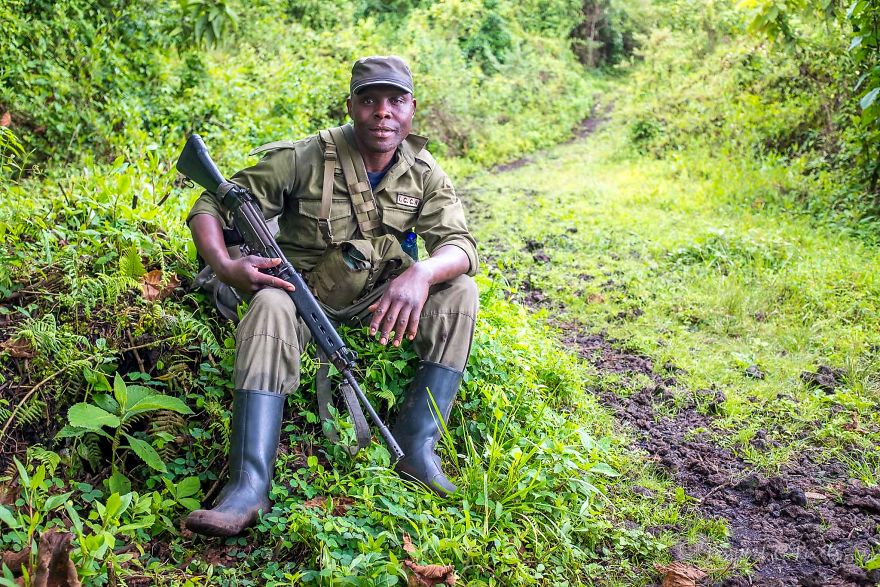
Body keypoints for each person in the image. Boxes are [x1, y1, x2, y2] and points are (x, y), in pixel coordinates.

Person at [183, 56, 479, 537]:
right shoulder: (305, 156)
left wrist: (421, 274)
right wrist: (225, 265)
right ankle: (248, 485)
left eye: (395, 100)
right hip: (300, 296)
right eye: (369, 100)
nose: (382, 112)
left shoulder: (424, 172)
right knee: (269, 302)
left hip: (375, 302)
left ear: (411, 109)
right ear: (351, 106)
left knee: (459, 290)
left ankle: (417, 448)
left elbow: (461, 246)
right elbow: (212, 201)